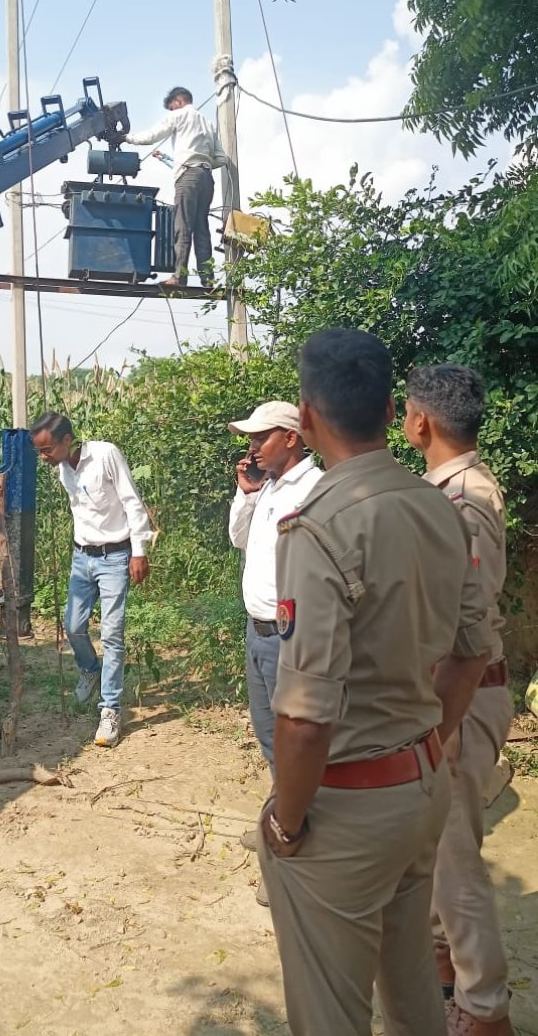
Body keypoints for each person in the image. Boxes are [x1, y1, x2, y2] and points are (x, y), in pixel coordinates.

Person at [257, 328, 494, 1036]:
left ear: (305, 417)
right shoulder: (440, 507)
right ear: (393, 409)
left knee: (331, 1009)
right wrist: (429, 744)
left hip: (349, 807)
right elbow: (473, 650)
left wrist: (287, 823)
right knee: (413, 986)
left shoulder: (320, 527)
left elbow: (305, 716)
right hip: (423, 787)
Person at [405, 364, 514, 1036]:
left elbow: (462, 625)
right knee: (440, 849)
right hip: (453, 691)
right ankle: (447, 965)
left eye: (409, 412)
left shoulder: (461, 500)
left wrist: (440, 716)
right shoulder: (447, 489)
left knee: (454, 855)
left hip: (461, 693)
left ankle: (483, 1007)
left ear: (423, 422)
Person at [227, 401, 322, 903]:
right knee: (270, 741)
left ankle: (292, 852)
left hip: (292, 638)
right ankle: (279, 819)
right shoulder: (267, 489)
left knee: (296, 746)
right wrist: (246, 495)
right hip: (257, 631)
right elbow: (237, 540)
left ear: (290, 437)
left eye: (260, 438)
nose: (252, 447)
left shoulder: (313, 490)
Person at [29, 412, 153, 748]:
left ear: (67, 440)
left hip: (115, 557)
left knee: (112, 634)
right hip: (81, 558)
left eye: (46, 450)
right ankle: (89, 669)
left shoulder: (105, 455)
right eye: (39, 452)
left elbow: (131, 501)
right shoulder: (62, 470)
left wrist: (139, 551)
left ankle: (110, 710)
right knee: (73, 626)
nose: (44, 458)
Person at [123, 86, 227, 289]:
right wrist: (202, 162)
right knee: (201, 229)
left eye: (171, 107)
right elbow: (221, 158)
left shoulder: (178, 115)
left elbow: (152, 135)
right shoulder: (208, 123)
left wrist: (127, 138)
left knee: (183, 227)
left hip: (188, 176)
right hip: (206, 178)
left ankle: (179, 277)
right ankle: (208, 280)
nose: (171, 111)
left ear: (178, 102)